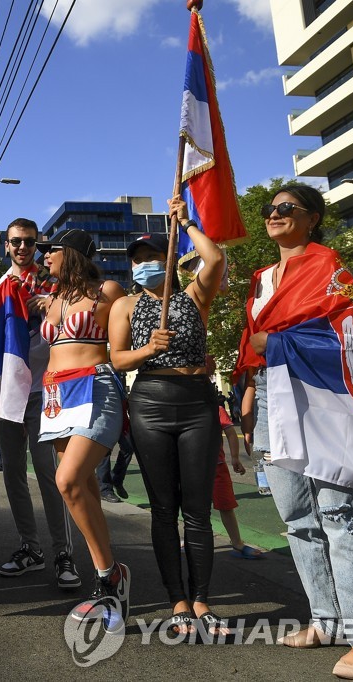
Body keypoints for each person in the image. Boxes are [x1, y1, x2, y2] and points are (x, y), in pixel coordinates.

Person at [236, 183, 353, 678]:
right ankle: (326, 620)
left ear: (313, 217)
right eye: (270, 209)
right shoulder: (262, 278)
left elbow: (350, 338)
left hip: (323, 395)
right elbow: (252, 344)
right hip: (270, 394)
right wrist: (248, 392)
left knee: (341, 513)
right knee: (298, 518)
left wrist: (276, 341)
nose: (275, 214)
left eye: (288, 208)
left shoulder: (330, 269)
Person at [108, 199, 226, 638]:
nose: (143, 265)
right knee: (163, 508)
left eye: (153, 257)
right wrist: (148, 350)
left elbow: (214, 258)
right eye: (136, 260)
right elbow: (118, 359)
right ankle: (176, 599)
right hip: (150, 401)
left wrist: (186, 223)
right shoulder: (124, 305)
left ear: (171, 258)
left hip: (197, 403)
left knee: (197, 509)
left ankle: (202, 599)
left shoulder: (195, 295)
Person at [31, 228, 130, 623]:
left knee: (68, 482)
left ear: (69, 253)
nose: (43, 258)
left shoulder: (108, 290)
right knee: (82, 491)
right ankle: (107, 580)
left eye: (49, 252)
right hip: (56, 396)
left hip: (96, 385)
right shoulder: (51, 297)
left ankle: (109, 577)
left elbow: (125, 341)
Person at [0, 218, 78, 591]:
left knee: (49, 474)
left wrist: (51, 306)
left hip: (46, 390)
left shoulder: (57, 286)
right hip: (10, 392)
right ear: (6, 245)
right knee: (13, 472)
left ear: (37, 244)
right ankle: (30, 547)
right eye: (16, 242)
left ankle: (64, 553)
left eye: (29, 242)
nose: (23, 248)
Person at [204, 355, 262, 560]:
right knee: (195, 508)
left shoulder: (215, 408)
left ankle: (236, 542)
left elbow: (230, 432)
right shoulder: (191, 408)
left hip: (216, 466)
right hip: (192, 466)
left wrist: (234, 458)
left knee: (226, 505)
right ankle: (197, 541)